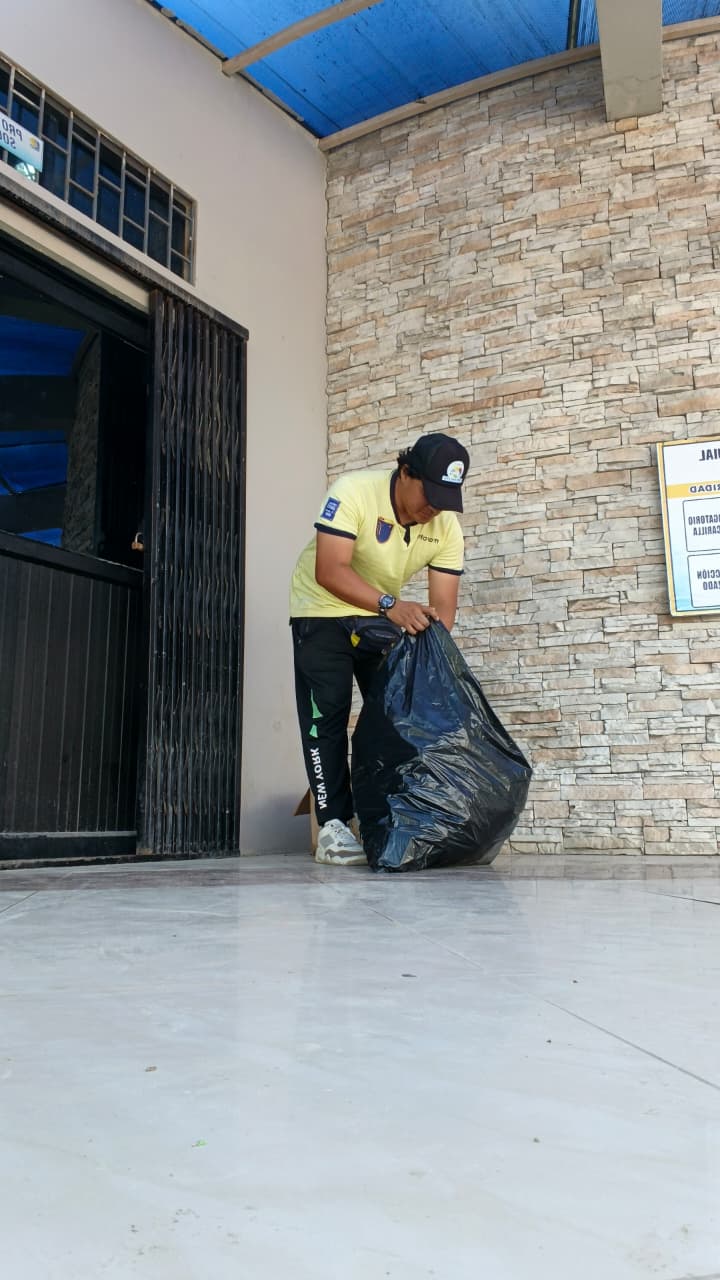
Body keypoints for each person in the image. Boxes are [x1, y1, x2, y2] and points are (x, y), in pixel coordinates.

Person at [289, 432, 470, 865]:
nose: (434, 509)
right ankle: (333, 825)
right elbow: (329, 569)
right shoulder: (353, 491)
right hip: (321, 610)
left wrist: (426, 634)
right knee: (326, 715)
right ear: (405, 472)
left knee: (396, 717)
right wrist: (392, 605)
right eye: (429, 494)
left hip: (378, 616)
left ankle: (391, 819)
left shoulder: (445, 525)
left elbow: (444, 611)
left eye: (445, 499)